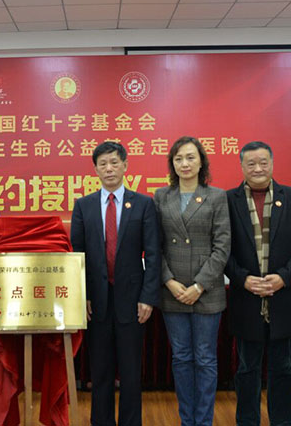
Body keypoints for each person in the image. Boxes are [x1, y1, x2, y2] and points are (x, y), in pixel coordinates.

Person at [70, 141, 161, 426]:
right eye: (103, 164)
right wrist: (82, 295)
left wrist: (148, 297)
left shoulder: (144, 204)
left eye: (114, 162)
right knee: (101, 372)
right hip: (95, 302)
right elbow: (77, 255)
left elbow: (154, 254)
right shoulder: (83, 205)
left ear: (125, 166)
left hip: (133, 302)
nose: (109, 169)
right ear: (95, 169)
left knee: (131, 374)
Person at [225, 141, 291, 426]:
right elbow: (222, 248)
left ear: (272, 163)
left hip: (283, 297)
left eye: (263, 162)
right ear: (242, 166)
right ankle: (247, 421)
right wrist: (242, 278)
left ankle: (282, 421)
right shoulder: (228, 200)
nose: (258, 168)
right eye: (251, 163)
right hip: (245, 298)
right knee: (247, 368)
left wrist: (285, 277)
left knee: (283, 368)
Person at [153, 136, 230, 426]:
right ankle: (187, 420)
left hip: (206, 291)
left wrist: (199, 285)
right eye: (178, 159)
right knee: (182, 358)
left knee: (205, 358)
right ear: (172, 164)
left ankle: (204, 421)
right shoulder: (161, 196)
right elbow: (154, 245)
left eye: (190, 157)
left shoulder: (217, 196)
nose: (184, 163)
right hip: (173, 291)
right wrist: (169, 281)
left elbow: (222, 246)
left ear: (201, 162)